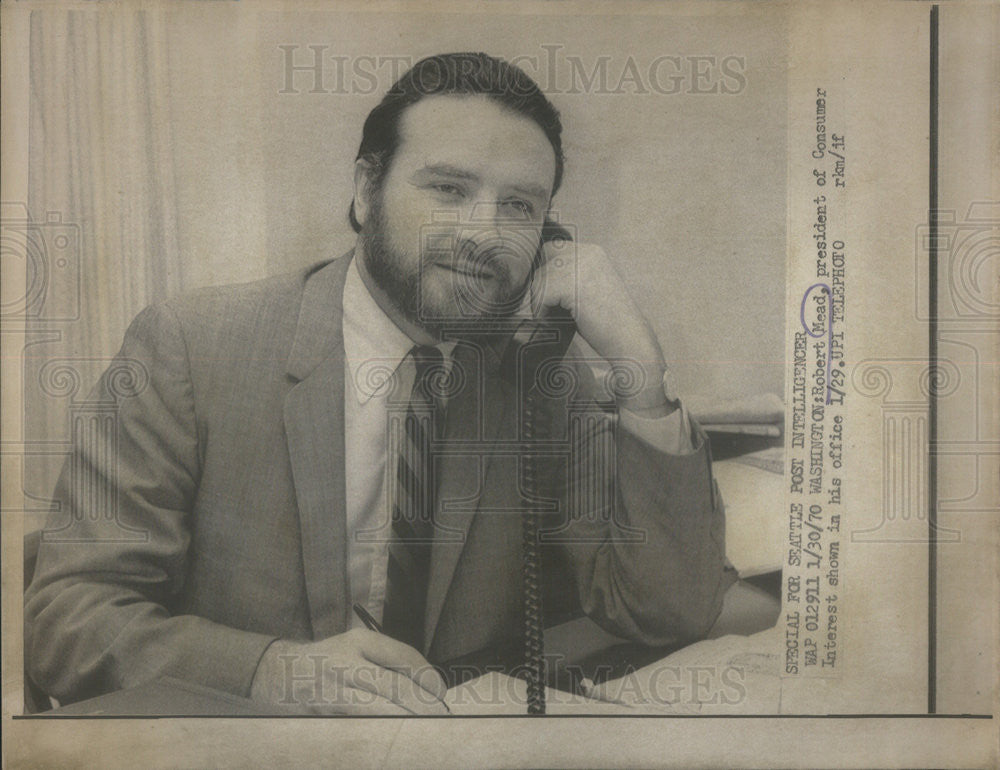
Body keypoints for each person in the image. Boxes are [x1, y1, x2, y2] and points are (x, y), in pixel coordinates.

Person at [24, 52, 734, 715]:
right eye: (449, 189)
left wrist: (640, 372)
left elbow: (664, 612)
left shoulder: (539, 373)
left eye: (520, 206)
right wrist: (269, 669)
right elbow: (69, 618)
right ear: (367, 190)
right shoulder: (189, 347)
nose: (486, 234)